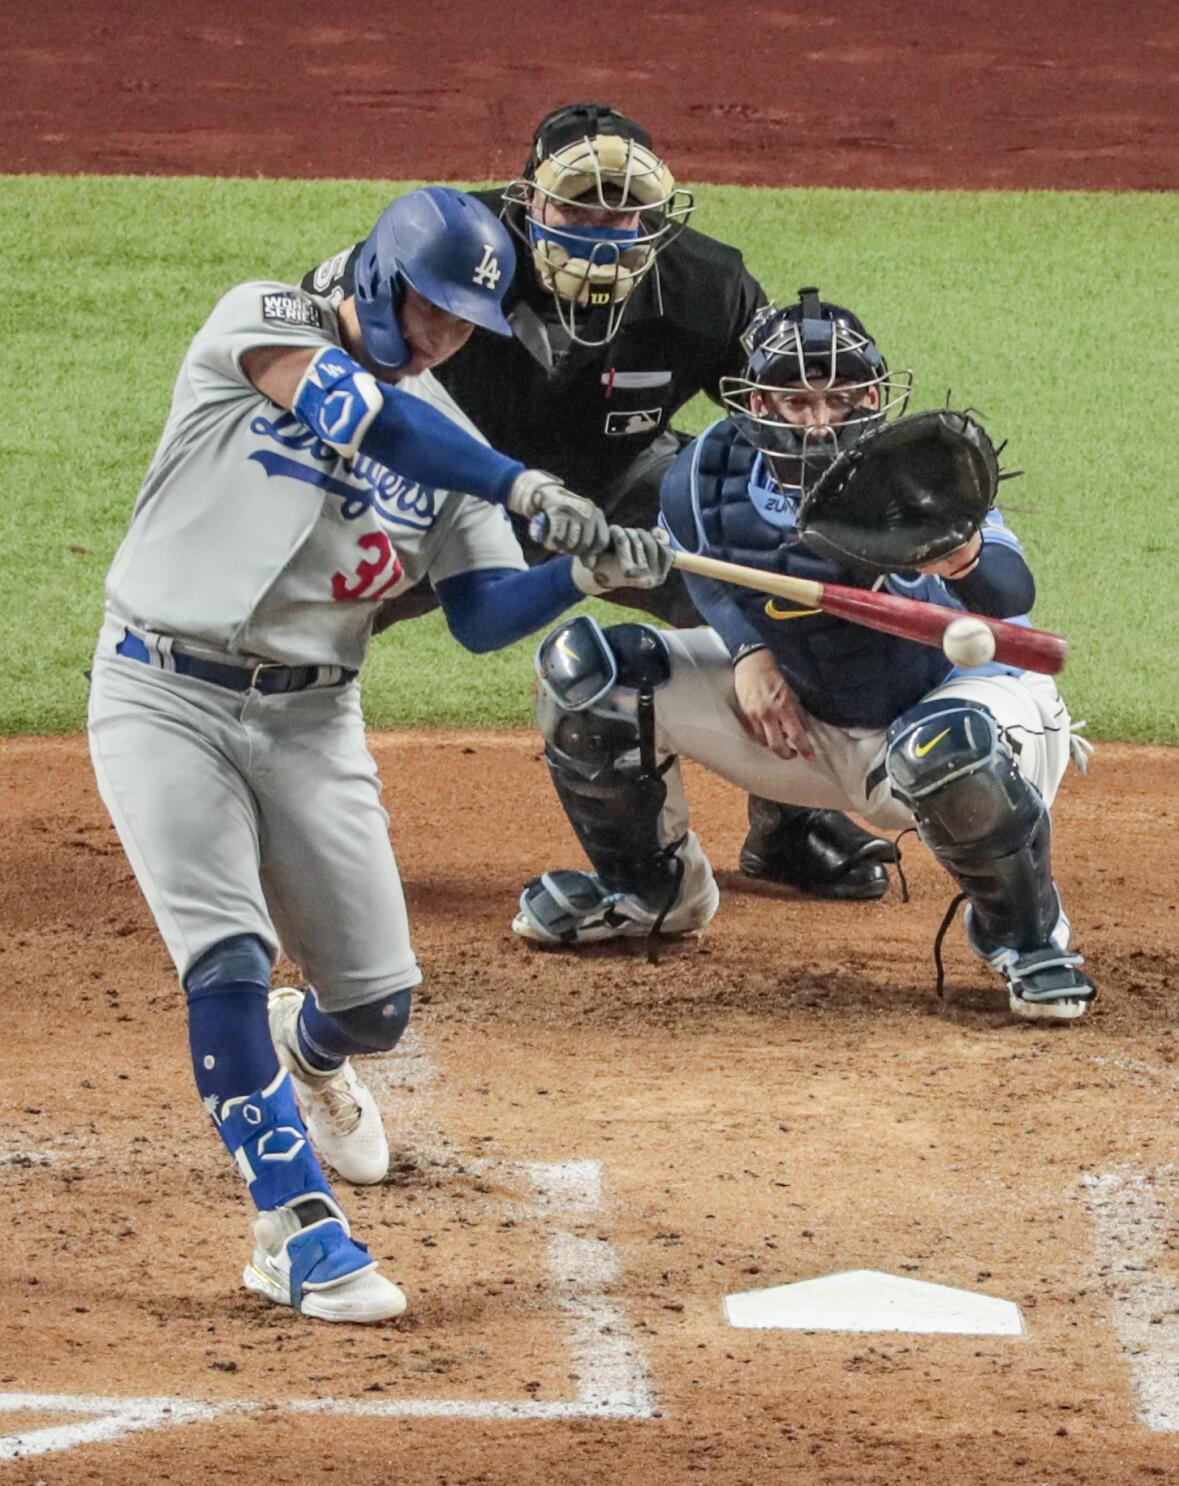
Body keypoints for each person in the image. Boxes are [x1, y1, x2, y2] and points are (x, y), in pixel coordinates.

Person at [87, 185, 672, 1325]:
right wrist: (515, 479)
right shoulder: (259, 322)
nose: (444, 335)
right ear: (375, 277)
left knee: (378, 1005)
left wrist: (581, 575)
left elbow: (482, 613)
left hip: (311, 720)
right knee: (227, 957)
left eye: (465, 322)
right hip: (160, 693)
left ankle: (309, 1056)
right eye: (431, 307)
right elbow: (363, 416)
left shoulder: (447, 439)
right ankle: (293, 1228)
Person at [302, 101, 896, 902]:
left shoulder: (703, 286)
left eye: (624, 211)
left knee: (769, 574)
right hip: (438, 491)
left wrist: (856, 502)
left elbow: (781, 411)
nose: (601, 228)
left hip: (619, 490)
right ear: (527, 199)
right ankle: (271, 804)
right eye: (576, 203)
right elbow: (321, 339)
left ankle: (787, 823)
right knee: (302, 614)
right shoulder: (454, 244)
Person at [511, 289, 1097, 1024]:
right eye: (794, 400)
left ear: (875, 398)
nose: (819, 419)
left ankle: (1027, 939)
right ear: (753, 400)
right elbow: (702, 564)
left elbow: (1010, 594)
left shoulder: (919, 474)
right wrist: (750, 651)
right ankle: (650, 892)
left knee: (944, 748)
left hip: (956, 711)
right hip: (807, 727)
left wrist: (963, 553)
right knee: (591, 678)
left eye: (841, 397)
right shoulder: (705, 474)